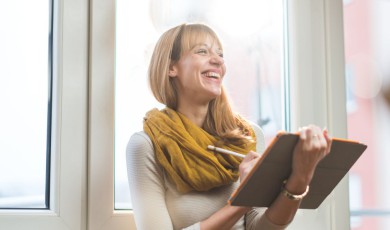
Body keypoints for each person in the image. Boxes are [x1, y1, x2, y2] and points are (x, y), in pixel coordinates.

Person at [126, 23, 332, 230]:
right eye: (202, 51)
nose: (218, 60)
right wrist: (242, 199)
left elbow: (260, 228)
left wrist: (300, 178)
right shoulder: (146, 146)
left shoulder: (248, 136)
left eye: (220, 54)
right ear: (171, 67)